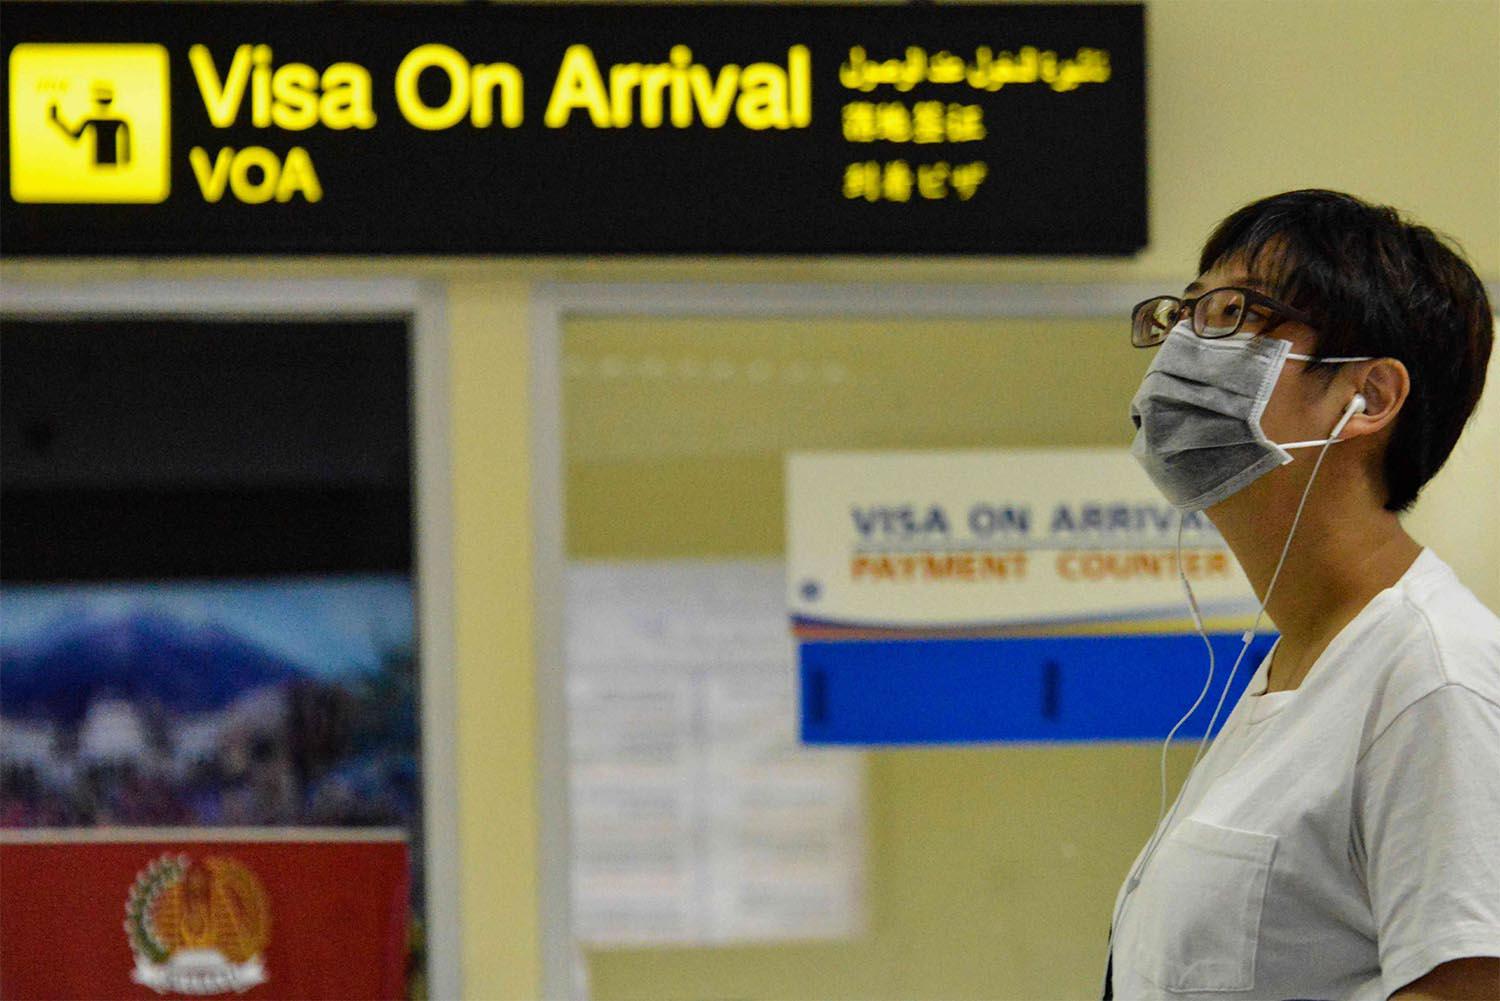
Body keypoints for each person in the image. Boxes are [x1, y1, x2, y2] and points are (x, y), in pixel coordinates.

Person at [1107, 189, 1500, 999]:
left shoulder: (1436, 679)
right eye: (1183, 313)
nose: (1182, 343)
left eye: (1231, 312)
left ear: (1370, 398)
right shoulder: (1300, 661)